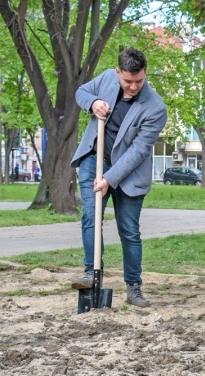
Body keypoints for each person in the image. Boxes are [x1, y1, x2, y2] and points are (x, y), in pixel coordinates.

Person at [70, 47, 168, 307]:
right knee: (91, 218)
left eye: (139, 80)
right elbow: (81, 92)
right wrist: (92, 103)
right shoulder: (105, 79)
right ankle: (92, 274)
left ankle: (134, 287)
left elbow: (137, 151)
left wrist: (109, 180)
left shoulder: (155, 107)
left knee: (129, 230)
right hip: (95, 159)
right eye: (128, 81)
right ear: (118, 73)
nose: (134, 86)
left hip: (130, 173)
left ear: (145, 73)